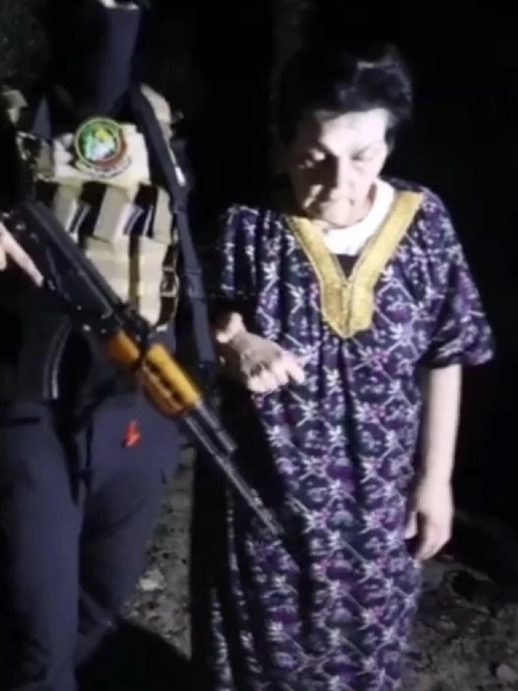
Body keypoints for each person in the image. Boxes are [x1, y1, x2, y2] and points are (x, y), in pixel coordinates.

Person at [0, 0, 215, 688]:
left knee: (96, 607)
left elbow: (185, 253)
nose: (110, 21)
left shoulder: (163, 129)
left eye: (125, 5)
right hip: (26, 401)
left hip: (139, 399)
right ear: (57, 16)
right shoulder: (3, 121)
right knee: (39, 626)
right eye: (92, 5)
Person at [191, 40, 495, 690]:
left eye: (363, 157)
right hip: (262, 510)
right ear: (285, 143)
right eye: (315, 158)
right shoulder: (248, 227)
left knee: (366, 663)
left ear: (390, 144)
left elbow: (447, 352)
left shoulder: (425, 224)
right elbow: (193, 328)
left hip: (377, 513)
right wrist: (233, 345)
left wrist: (435, 482)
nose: (338, 184)